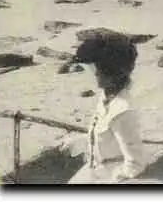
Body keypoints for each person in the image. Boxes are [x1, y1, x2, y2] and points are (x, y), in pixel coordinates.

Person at [59, 31, 146, 183]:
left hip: (109, 175)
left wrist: (116, 178)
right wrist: (78, 142)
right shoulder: (106, 97)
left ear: (108, 73)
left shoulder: (122, 111)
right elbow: (104, 138)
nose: (92, 74)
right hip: (96, 167)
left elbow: (135, 164)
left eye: (95, 71)